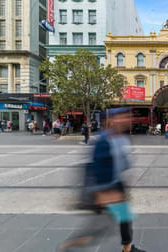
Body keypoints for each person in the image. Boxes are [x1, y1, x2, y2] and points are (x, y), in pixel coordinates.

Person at [57, 108, 146, 252]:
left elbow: (124, 163)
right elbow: (97, 168)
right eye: (121, 117)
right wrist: (102, 193)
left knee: (124, 219)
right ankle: (68, 245)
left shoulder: (123, 137)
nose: (125, 120)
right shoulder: (104, 139)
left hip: (117, 185)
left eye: (127, 117)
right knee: (100, 228)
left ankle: (128, 248)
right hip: (105, 189)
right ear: (111, 120)